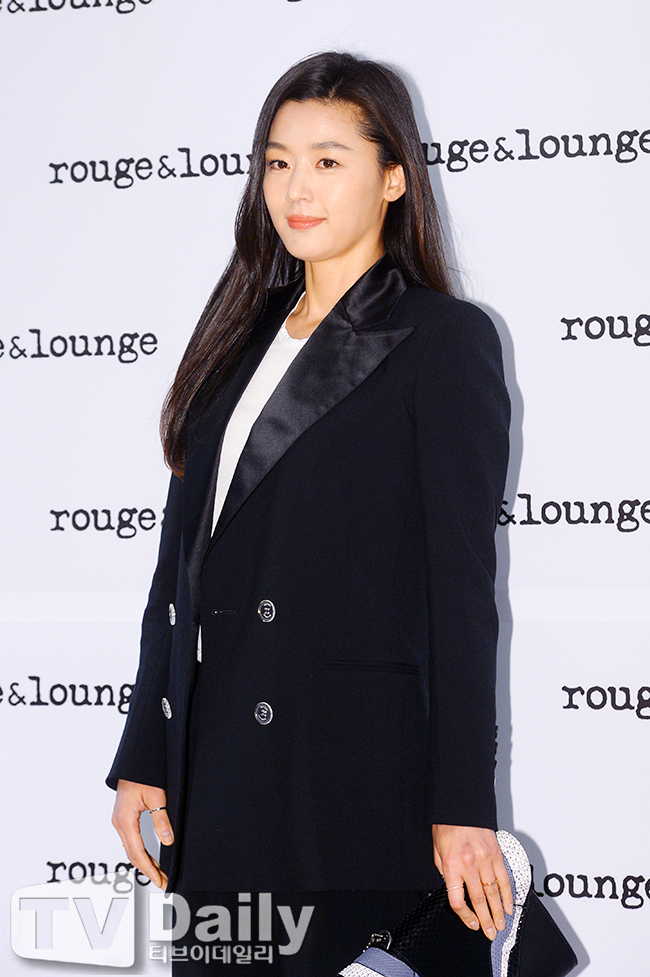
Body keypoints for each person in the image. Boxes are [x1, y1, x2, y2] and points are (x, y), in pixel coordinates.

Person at [108, 51, 512, 975]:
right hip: (222, 776)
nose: (297, 187)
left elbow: (462, 593)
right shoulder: (234, 341)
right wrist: (146, 751)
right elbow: (177, 572)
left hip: (356, 775)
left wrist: (463, 806)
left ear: (394, 177)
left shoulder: (443, 339)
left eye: (329, 160)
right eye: (279, 161)